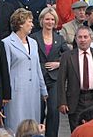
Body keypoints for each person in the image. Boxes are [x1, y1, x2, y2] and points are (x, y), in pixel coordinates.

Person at [57, 25, 93, 132]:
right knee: (77, 130)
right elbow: (61, 80)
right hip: (76, 100)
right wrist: (62, 102)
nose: (82, 40)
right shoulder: (67, 56)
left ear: (91, 38)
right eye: (80, 37)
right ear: (76, 39)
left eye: (85, 37)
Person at [2, 8, 48, 133]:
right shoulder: (6, 43)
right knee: (16, 125)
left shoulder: (33, 43)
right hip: (16, 92)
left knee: (32, 125)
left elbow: (37, 67)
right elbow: (5, 70)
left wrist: (43, 90)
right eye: (29, 21)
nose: (32, 25)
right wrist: (5, 92)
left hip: (33, 90)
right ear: (21, 23)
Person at [30, 7, 69, 137]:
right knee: (38, 111)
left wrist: (58, 63)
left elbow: (68, 56)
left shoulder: (60, 38)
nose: (50, 22)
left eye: (52, 19)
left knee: (53, 111)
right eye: (47, 19)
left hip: (54, 80)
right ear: (42, 20)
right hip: (37, 78)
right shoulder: (33, 37)